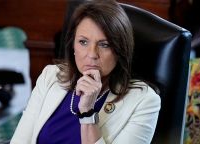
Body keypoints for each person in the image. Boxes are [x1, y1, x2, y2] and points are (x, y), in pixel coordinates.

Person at [10, 0, 161, 143]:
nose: (92, 54)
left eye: (104, 45)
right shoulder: (51, 76)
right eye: (83, 42)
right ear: (73, 45)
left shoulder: (144, 101)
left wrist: (87, 113)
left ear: (120, 50)